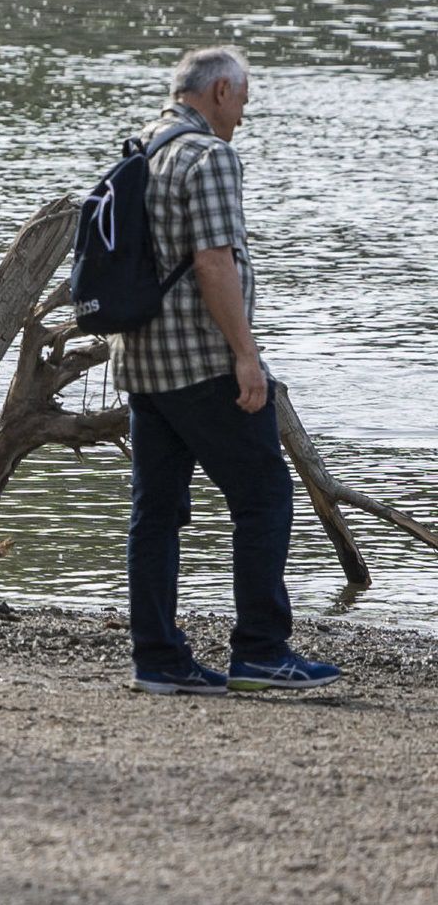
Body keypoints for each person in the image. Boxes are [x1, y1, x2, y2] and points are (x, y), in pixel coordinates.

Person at [118, 45, 341, 697]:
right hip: (201, 360)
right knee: (265, 494)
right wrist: (246, 355)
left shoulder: (144, 149)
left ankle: (158, 657)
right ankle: (262, 651)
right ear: (219, 91)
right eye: (242, 98)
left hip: (141, 362)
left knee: (154, 512)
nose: (243, 114)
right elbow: (214, 262)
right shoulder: (209, 156)